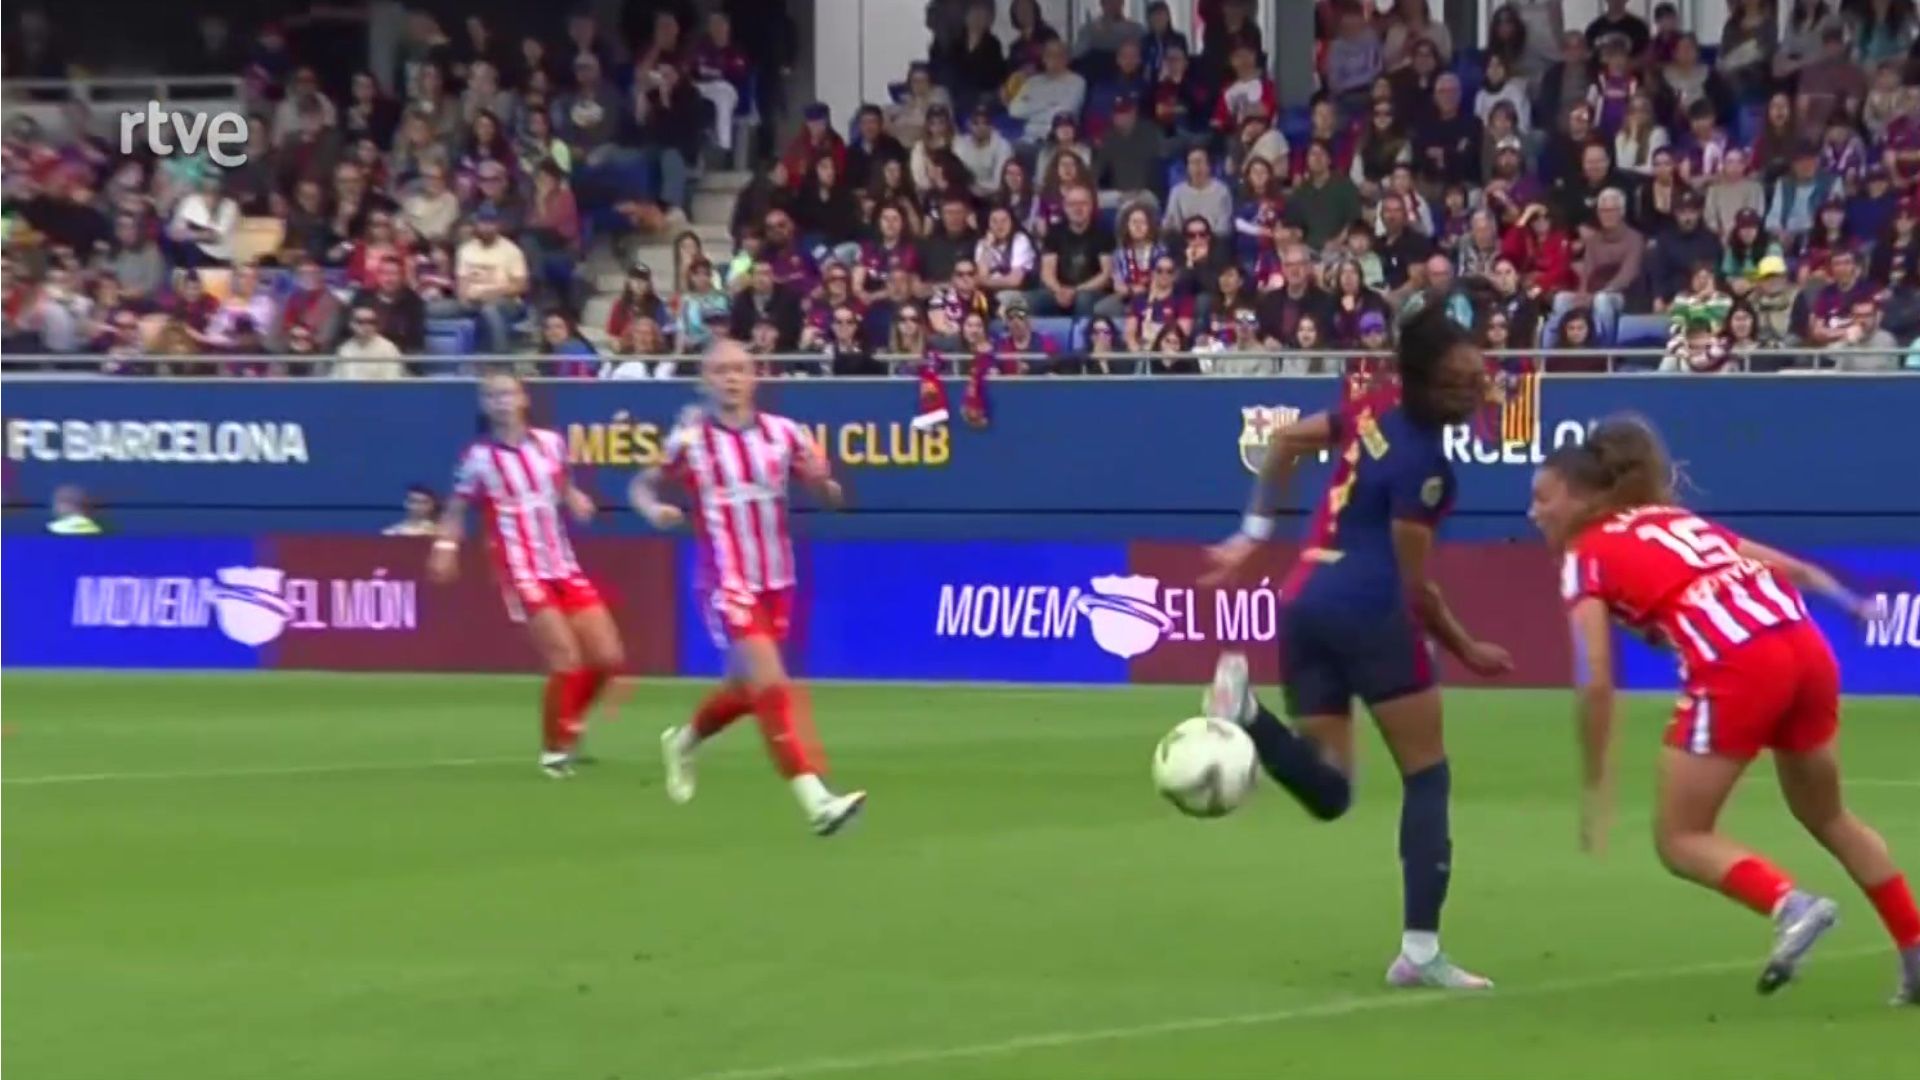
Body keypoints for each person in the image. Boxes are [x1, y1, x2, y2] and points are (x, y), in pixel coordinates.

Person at [1529, 419, 1920, 1002]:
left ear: (1584, 499)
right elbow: (1793, 570)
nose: (1535, 513)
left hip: (1738, 663)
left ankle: (1791, 905)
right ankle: (1916, 950)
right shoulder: (1673, 521)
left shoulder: (1584, 555)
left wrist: (1595, 776)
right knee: (1829, 815)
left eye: (1544, 498)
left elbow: (1598, 677)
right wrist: (1848, 603)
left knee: (1680, 836)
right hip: (1803, 645)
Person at [1202, 305, 1511, 990]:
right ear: (1425, 382)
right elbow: (1415, 587)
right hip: (1371, 612)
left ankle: (1247, 714)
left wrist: (1253, 533)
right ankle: (1420, 953)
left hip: (1304, 603)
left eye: (1476, 379)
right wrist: (1465, 647)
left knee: (1331, 790)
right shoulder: (1428, 468)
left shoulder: (1373, 409)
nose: (1473, 393)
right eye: (1460, 383)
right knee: (1427, 775)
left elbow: (1285, 440)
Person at [637, 341, 868, 836]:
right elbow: (643, 484)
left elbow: (832, 496)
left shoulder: (784, 433)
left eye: (739, 369)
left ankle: (684, 741)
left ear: (755, 377)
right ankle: (816, 801)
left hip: (777, 580)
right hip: (725, 581)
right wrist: (654, 510)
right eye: (720, 370)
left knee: (747, 691)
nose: (731, 378)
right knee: (772, 684)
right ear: (706, 379)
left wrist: (826, 486)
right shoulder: (691, 441)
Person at [429, 373, 625, 777]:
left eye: (508, 393)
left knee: (608, 658)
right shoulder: (479, 458)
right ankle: (554, 752)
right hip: (521, 570)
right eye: (492, 395)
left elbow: (562, 484)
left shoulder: (550, 443)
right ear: (485, 405)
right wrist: (445, 547)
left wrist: (575, 498)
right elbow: (456, 508)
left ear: (523, 399)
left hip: (563, 565)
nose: (502, 401)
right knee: (565, 658)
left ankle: (571, 721)